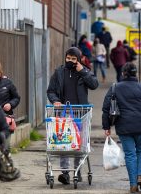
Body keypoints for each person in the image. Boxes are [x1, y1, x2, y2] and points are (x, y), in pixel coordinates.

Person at [102, 62, 141, 193]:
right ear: (135, 74)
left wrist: (107, 126)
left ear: (123, 74)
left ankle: (133, 184)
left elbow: (106, 109)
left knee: (130, 154)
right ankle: (140, 176)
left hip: (124, 127)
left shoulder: (115, 88)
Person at [47, 47, 99, 185]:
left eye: (73, 59)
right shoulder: (59, 72)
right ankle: (65, 173)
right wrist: (55, 101)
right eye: (68, 58)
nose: (70, 61)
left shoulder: (84, 71)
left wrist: (82, 71)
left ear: (79, 59)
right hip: (63, 113)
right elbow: (51, 90)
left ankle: (77, 170)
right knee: (64, 142)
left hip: (80, 113)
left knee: (78, 143)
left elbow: (94, 84)